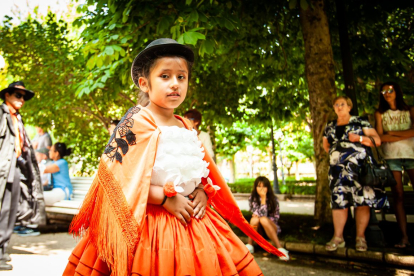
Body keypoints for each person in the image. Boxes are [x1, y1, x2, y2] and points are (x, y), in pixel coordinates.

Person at [62, 38, 286, 276]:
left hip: (196, 223)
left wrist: (202, 191)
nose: (175, 84)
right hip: (149, 228)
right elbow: (117, 182)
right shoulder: (135, 123)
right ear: (144, 83)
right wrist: (164, 199)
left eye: (181, 77)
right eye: (165, 76)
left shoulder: (187, 126)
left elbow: (199, 171)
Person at [323, 96, 387, 252]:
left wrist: (359, 138)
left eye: (342, 104)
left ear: (349, 107)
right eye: (336, 104)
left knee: (362, 201)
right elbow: (326, 146)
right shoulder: (330, 126)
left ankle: (361, 237)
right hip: (338, 171)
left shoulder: (360, 122)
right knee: (339, 202)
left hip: (360, 169)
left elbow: (376, 141)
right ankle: (338, 238)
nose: (339, 107)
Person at [0, 81, 46, 270]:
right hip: (3, 168)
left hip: (16, 169)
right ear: (7, 96)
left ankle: (2, 250)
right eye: (17, 95)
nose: (21, 100)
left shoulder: (17, 117)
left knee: (10, 212)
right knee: (2, 211)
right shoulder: (2, 115)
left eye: (23, 97)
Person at [374, 82, 414, 248]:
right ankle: (404, 237)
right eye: (383, 91)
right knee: (398, 195)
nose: (386, 93)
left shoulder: (409, 110)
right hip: (392, 157)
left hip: (411, 154)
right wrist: (402, 135)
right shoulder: (380, 113)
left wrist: (392, 133)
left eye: (390, 90)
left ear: (397, 91)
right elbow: (380, 137)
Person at [246, 176, 289, 260]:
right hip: (259, 229)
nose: (261, 189)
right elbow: (255, 214)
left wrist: (263, 198)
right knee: (254, 219)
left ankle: (280, 248)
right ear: (255, 188)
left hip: (271, 228)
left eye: (264, 186)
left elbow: (266, 216)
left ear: (268, 188)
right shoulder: (252, 198)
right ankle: (250, 245)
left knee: (263, 219)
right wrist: (262, 200)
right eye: (259, 186)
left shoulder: (274, 199)